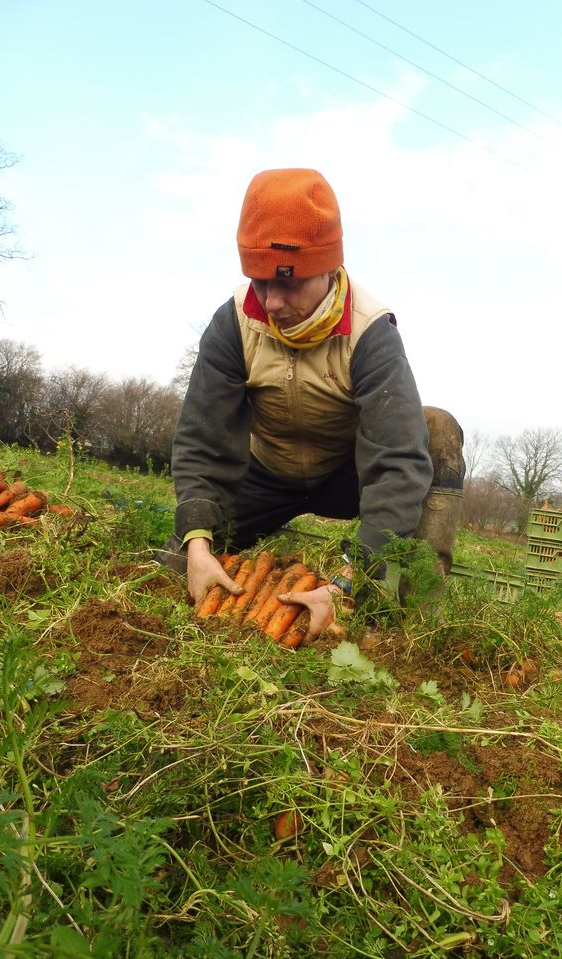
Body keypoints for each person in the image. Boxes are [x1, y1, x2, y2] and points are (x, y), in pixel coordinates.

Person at [157, 168, 465, 641]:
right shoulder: (233, 323)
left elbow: (396, 464)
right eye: (260, 282)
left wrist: (344, 581)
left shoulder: (371, 333)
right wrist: (198, 543)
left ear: (327, 267)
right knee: (178, 561)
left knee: (437, 429)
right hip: (265, 474)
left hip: (348, 476)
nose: (273, 302)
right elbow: (203, 437)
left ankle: (412, 611)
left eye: (289, 283)